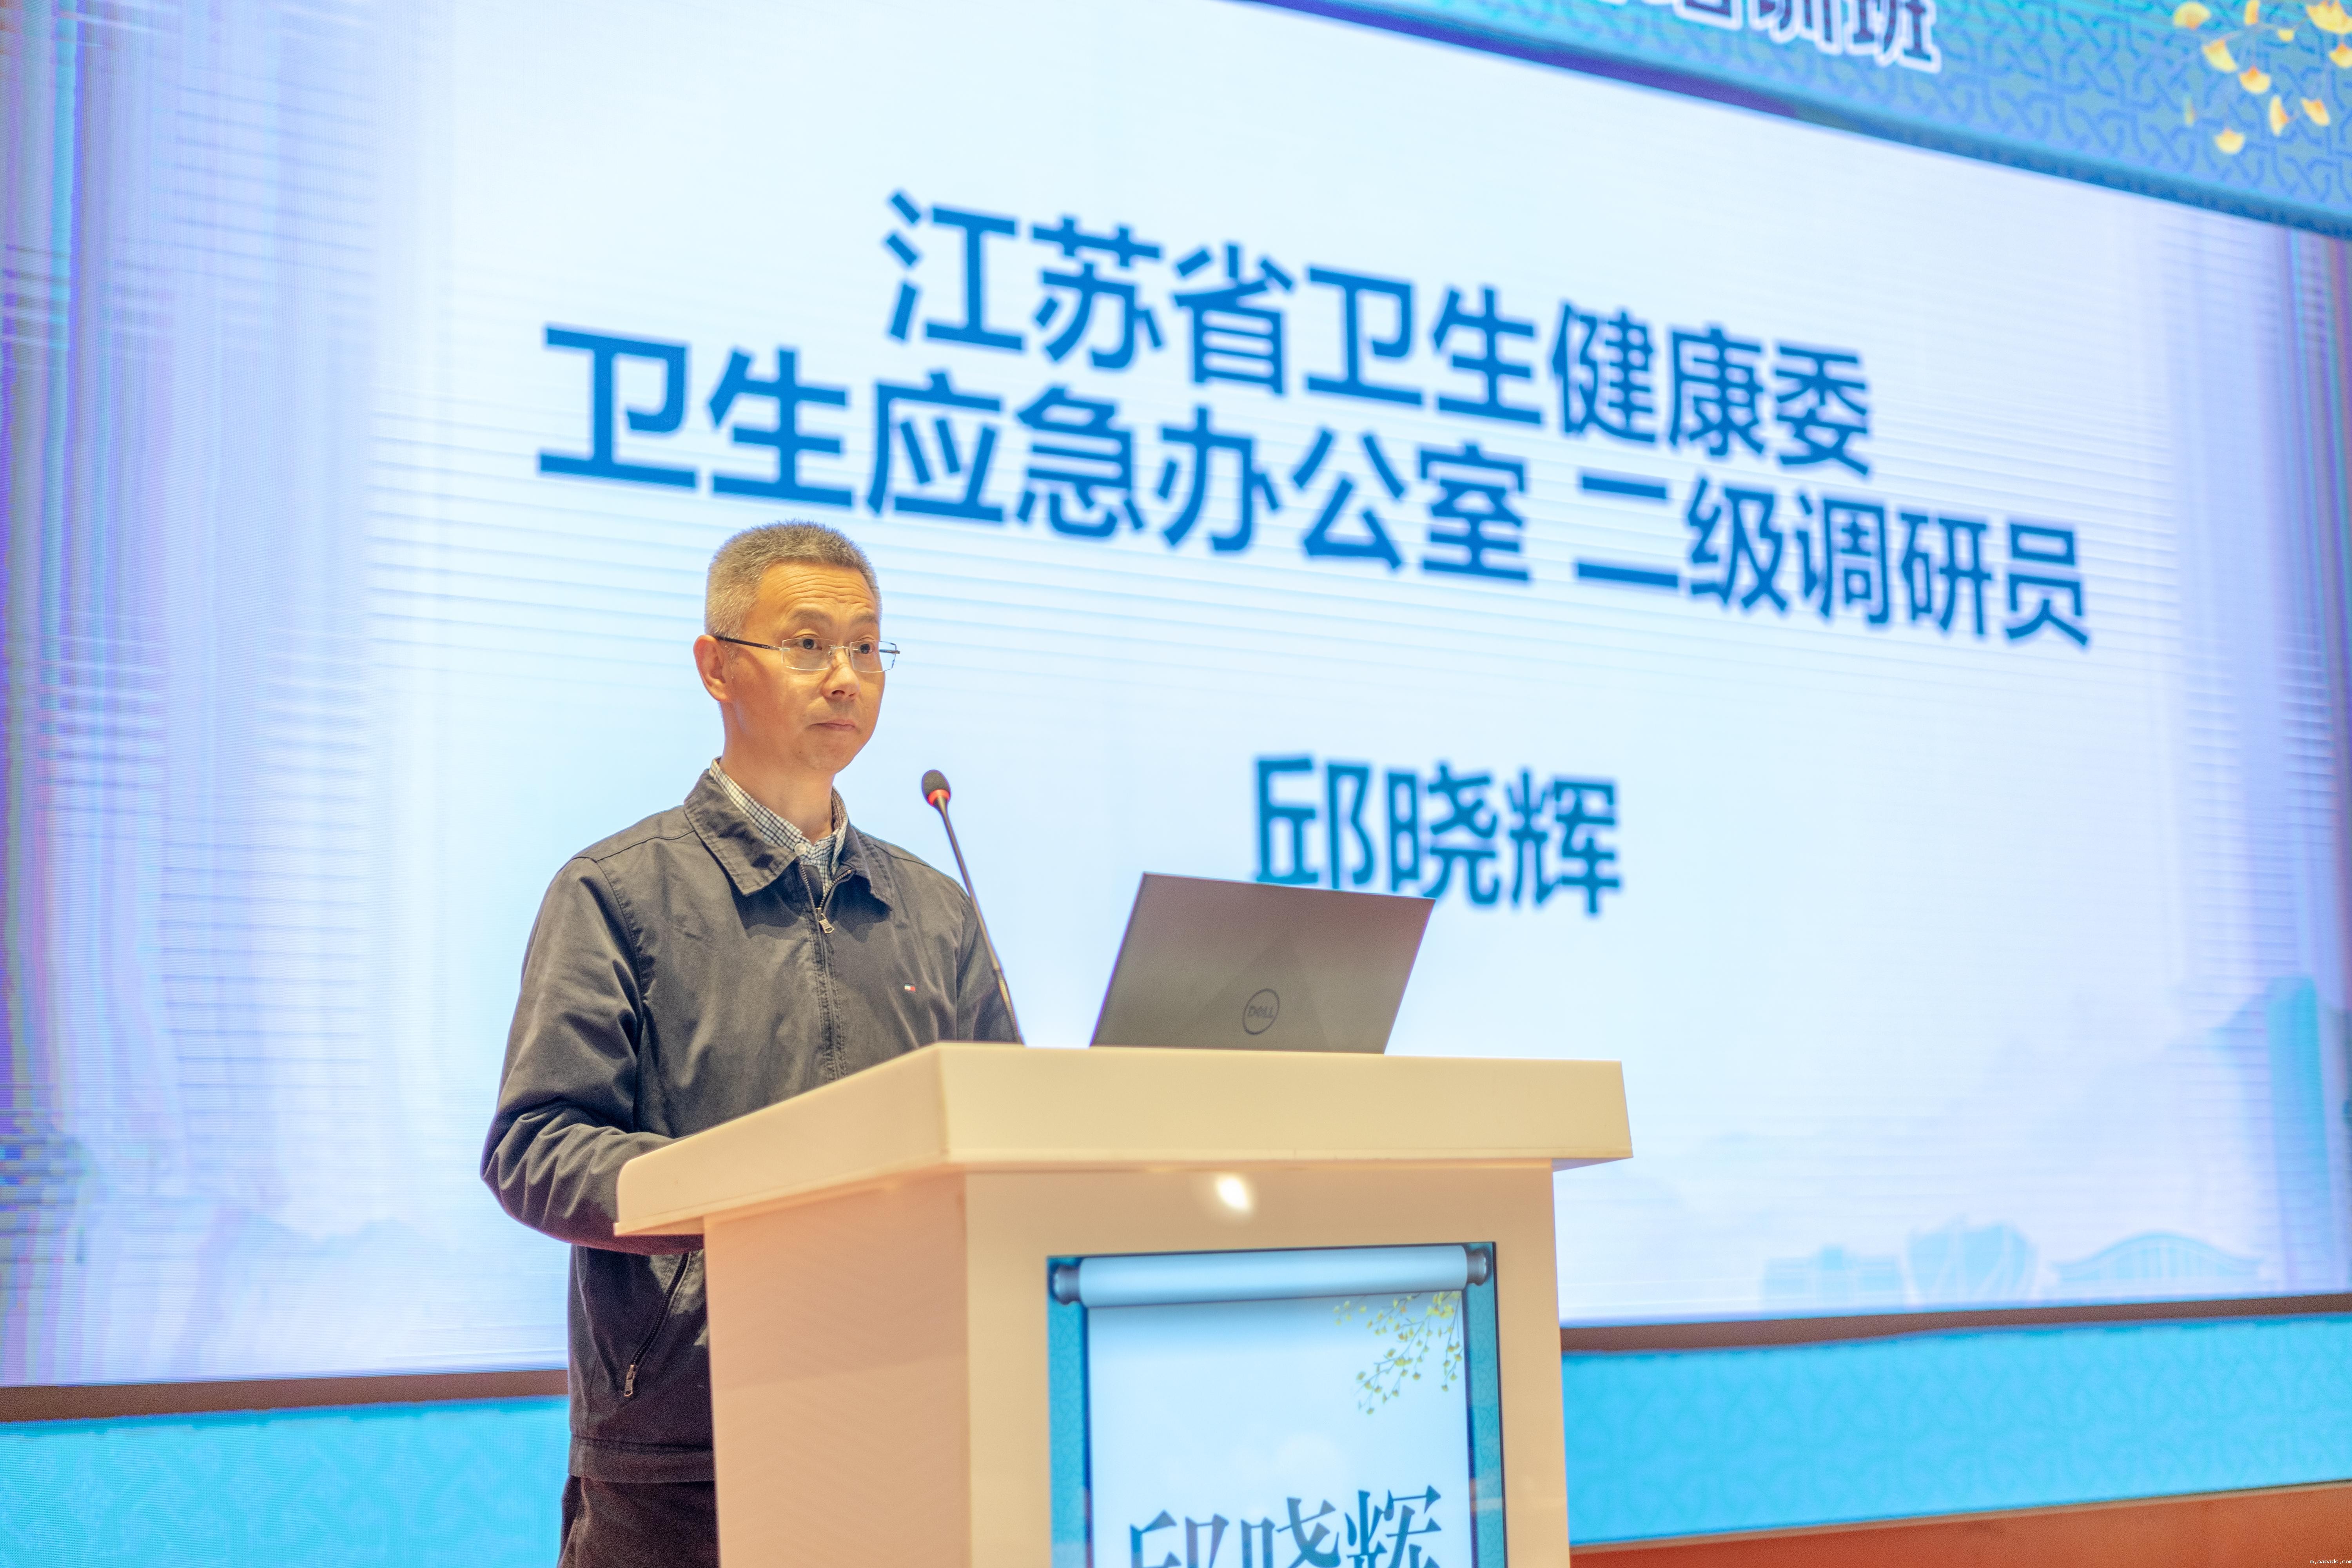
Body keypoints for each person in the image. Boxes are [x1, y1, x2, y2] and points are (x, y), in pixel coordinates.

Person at [481, 521, 1017, 1567]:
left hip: (909, 1419)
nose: (845, 676)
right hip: (688, 1449)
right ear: (716, 667)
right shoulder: (617, 892)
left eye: (866, 648)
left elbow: (1000, 1136)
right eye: (808, 644)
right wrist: (751, 1199)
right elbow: (536, 1148)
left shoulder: (936, 910)